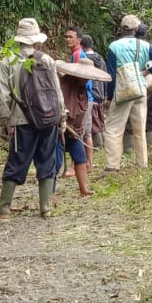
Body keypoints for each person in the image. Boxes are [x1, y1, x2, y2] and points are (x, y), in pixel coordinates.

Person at [0, 18, 64, 219]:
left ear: (18, 39)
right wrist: (62, 116)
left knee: (17, 160)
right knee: (47, 159)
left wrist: (5, 122)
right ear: (36, 39)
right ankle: (45, 208)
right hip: (49, 118)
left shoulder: (8, 61)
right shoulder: (47, 60)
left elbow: (2, 96)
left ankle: (4, 208)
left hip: (20, 119)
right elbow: (56, 91)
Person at [103, 15, 152, 172]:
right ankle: (142, 163)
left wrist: (109, 96)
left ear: (122, 28)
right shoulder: (145, 45)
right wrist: (148, 71)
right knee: (140, 128)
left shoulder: (114, 46)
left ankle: (112, 165)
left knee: (114, 128)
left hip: (123, 89)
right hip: (140, 88)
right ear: (136, 29)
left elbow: (112, 74)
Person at [55, 32, 93, 198]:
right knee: (55, 161)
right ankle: (49, 194)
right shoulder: (65, 84)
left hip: (74, 130)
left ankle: (84, 189)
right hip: (59, 127)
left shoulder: (82, 88)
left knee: (80, 158)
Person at [80, 32, 107, 151]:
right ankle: (103, 143)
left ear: (81, 45)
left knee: (94, 123)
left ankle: (97, 145)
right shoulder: (100, 58)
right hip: (101, 92)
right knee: (100, 121)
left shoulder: (85, 60)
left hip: (92, 93)